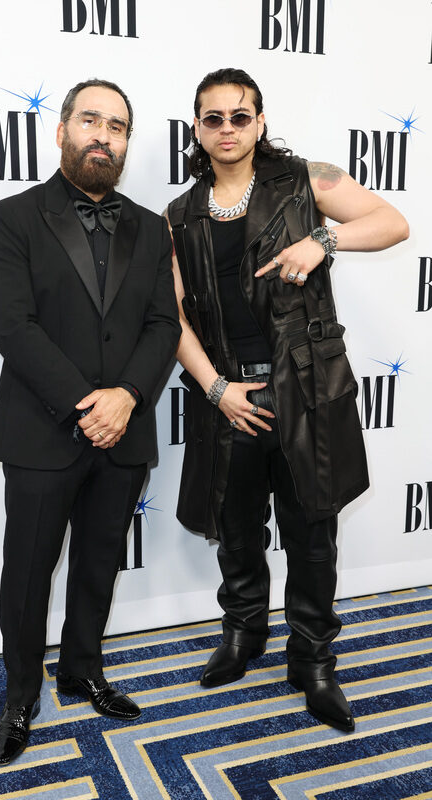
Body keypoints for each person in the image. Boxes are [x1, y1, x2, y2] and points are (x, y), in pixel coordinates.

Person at [167, 67, 408, 733]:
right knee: (236, 529)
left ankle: (313, 659)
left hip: (305, 387)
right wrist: (215, 389)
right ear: (197, 127)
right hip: (230, 396)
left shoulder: (307, 181)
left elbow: (392, 222)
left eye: (239, 116)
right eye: (212, 118)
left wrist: (323, 238)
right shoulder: (179, 214)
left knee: (313, 535)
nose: (226, 129)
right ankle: (243, 635)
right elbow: (173, 315)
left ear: (260, 123)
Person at [0, 78, 180, 765]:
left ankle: (83, 669)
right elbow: (12, 324)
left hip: (125, 433)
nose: (103, 135)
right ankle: (18, 695)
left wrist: (125, 395)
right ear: (61, 130)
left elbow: (163, 325)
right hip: (42, 431)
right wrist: (85, 404)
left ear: (127, 142)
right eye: (90, 120)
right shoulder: (10, 217)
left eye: (117, 126)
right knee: (29, 571)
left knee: (99, 563)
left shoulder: (153, 228)